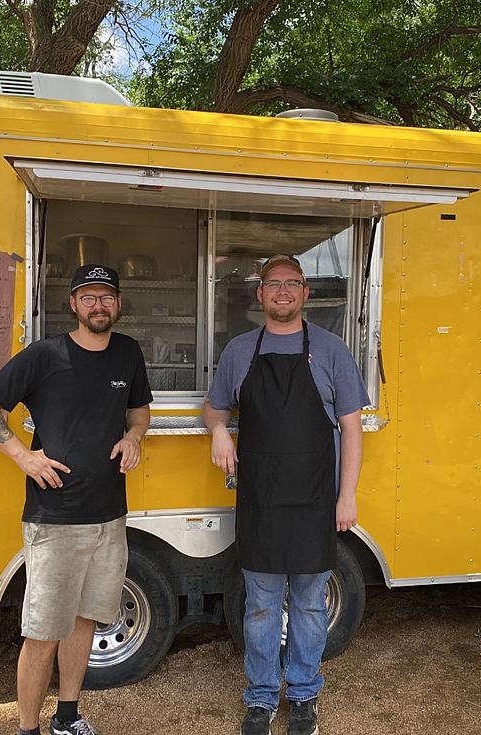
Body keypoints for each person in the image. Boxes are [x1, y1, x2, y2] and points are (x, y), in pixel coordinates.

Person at [0, 264, 152, 735]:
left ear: (118, 303)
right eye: (88, 296)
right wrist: (22, 457)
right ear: (72, 304)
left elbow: (139, 411)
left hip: (110, 517)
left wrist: (134, 438)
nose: (98, 305)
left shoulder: (128, 353)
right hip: (56, 519)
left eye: (106, 296)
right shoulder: (45, 355)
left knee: (86, 621)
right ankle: (28, 729)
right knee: (43, 632)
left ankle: (67, 716)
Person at [203, 254, 369, 735]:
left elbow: (352, 429)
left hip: (317, 499)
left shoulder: (332, 350)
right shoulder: (238, 351)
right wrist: (218, 431)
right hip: (260, 501)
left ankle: (302, 696)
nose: (282, 292)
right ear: (259, 293)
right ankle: (259, 698)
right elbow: (216, 408)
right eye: (272, 284)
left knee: (311, 605)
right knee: (259, 605)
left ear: (305, 293)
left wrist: (348, 495)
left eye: (291, 283)